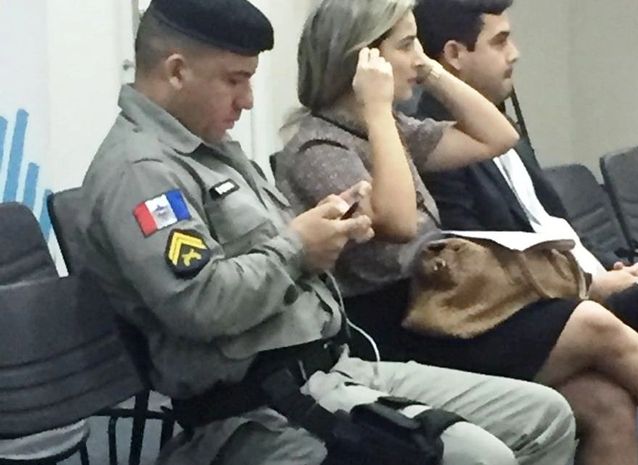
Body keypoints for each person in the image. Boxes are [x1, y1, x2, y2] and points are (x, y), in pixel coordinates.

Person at [75, 0, 578, 464]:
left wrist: (318, 234)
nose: (248, 100)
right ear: (176, 71)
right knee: (477, 457)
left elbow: (497, 136)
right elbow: (200, 303)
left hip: (332, 369)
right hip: (253, 410)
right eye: (234, 80)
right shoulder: (141, 173)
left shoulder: (211, 151)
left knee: (546, 416)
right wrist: (298, 248)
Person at [275, 0, 638, 464]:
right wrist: (376, 111)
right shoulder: (318, 146)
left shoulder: (392, 128)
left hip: (446, 309)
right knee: (595, 325)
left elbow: (497, 136)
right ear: (363, 60)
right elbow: (398, 222)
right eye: (407, 45)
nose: (418, 56)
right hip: (397, 329)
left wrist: (432, 72)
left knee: (605, 402)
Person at [412, 0, 638, 463]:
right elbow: (476, 260)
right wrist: (589, 284)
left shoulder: (503, 127)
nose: (516, 53)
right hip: (555, 311)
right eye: (500, 41)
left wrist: (611, 264)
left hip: (594, 288)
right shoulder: (435, 143)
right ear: (454, 54)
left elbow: (557, 223)